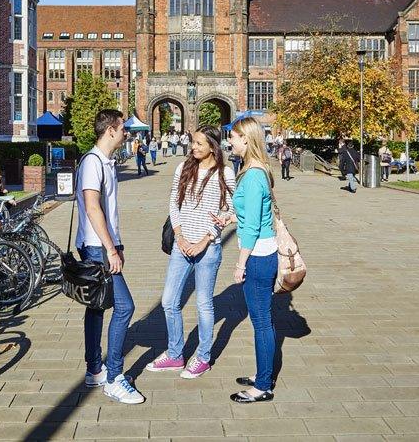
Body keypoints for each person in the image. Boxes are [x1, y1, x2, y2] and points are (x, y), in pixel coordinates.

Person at [147, 126, 236, 379]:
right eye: (192, 142)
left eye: (198, 143)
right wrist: (180, 235)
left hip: (208, 248)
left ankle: (203, 357)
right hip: (181, 244)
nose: (193, 147)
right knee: (169, 301)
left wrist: (206, 239)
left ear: (212, 146)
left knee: (203, 305)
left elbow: (230, 210)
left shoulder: (225, 174)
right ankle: (175, 354)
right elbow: (174, 203)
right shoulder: (183, 168)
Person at [76, 109, 144, 405]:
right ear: (110, 131)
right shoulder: (93, 162)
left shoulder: (104, 162)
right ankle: (115, 377)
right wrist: (111, 249)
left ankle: (94, 370)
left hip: (100, 245)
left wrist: (118, 243)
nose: (126, 133)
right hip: (97, 248)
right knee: (125, 307)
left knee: (96, 307)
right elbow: (93, 208)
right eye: (122, 128)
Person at [213, 117, 278, 403]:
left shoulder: (252, 175)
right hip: (262, 252)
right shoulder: (255, 170)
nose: (231, 141)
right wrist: (229, 218)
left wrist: (240, 264)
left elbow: (252, 227)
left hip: (258, 257)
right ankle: (263, 372)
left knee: (262, 321)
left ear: (247, 140)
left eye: (235, 137)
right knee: (263, 319)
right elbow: (253, 216)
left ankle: (263, 385)